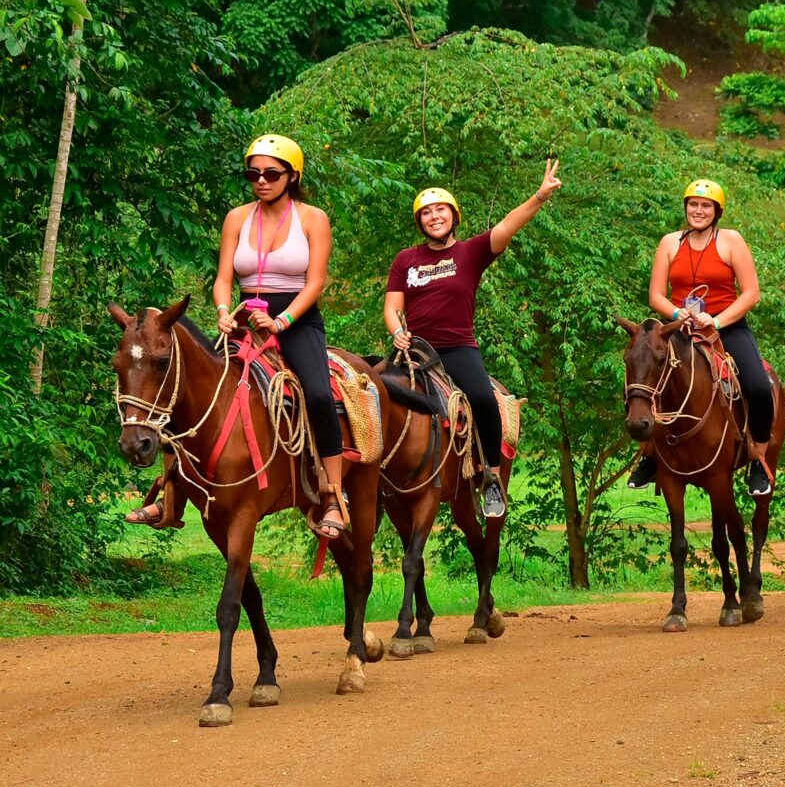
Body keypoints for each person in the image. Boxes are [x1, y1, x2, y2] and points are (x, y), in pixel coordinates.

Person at [126, 134, 348, 538]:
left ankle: (331, 492)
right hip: (244, 317)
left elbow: (315, 283)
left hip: (295, 319)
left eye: (270, 173)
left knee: (318, 393)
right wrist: (225, 312)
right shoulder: (237, 218)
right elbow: (224, 278)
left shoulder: (312, 218)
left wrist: (282, 322)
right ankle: (171, 492)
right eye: (252, 173)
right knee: (189, 388)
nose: (260, 181)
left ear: (292, 176)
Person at [385, 159, 562, 518]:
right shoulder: (406, 260)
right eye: (426, 213)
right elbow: (392, 307)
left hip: (456, 347)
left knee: (483, 396)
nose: (434, 217)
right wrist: (398, 332)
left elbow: (508, 225)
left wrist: (539, 197)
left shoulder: (470, 253)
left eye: (441, 210)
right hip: (414, 351)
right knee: (373, 393)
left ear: (454, 216)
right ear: (419, 222)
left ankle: (492, 479)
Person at [626, 179, 775, 496]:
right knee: (641, 375)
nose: (698, 210)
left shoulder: (731, 240)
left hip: (726, 326)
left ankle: (757, 459)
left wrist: (717, 321)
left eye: (706, 205)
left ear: (716, 211)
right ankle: (649, 454)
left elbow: (751, 294)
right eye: (693, 204)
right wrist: (679, 314)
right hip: (677, 330)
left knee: (760, 387)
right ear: (685, 208)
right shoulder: (669, 243)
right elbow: (656, 295)